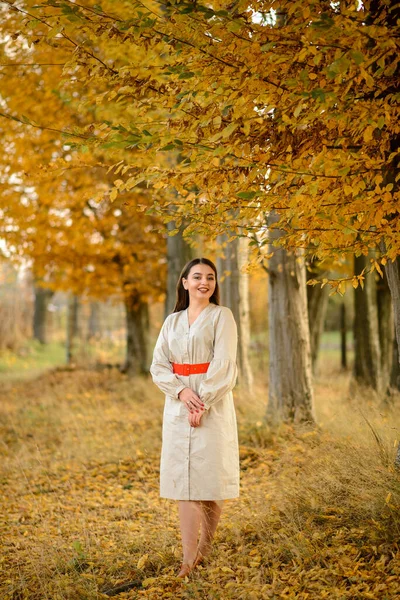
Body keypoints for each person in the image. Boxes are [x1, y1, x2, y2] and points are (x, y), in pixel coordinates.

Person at [150, 257, 240, 578]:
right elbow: (158, 365)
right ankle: (188, 560)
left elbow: (225, 363)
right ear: (185, 282)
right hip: (177, 406)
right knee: (184, 484)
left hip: (211, 405)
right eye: (198, 276)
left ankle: (207, 547)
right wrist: (181, 393)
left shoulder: (222, 317)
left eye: (211, 277)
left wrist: (202, 401)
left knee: (208, 478)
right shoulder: (171, 322)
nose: (205, 282)